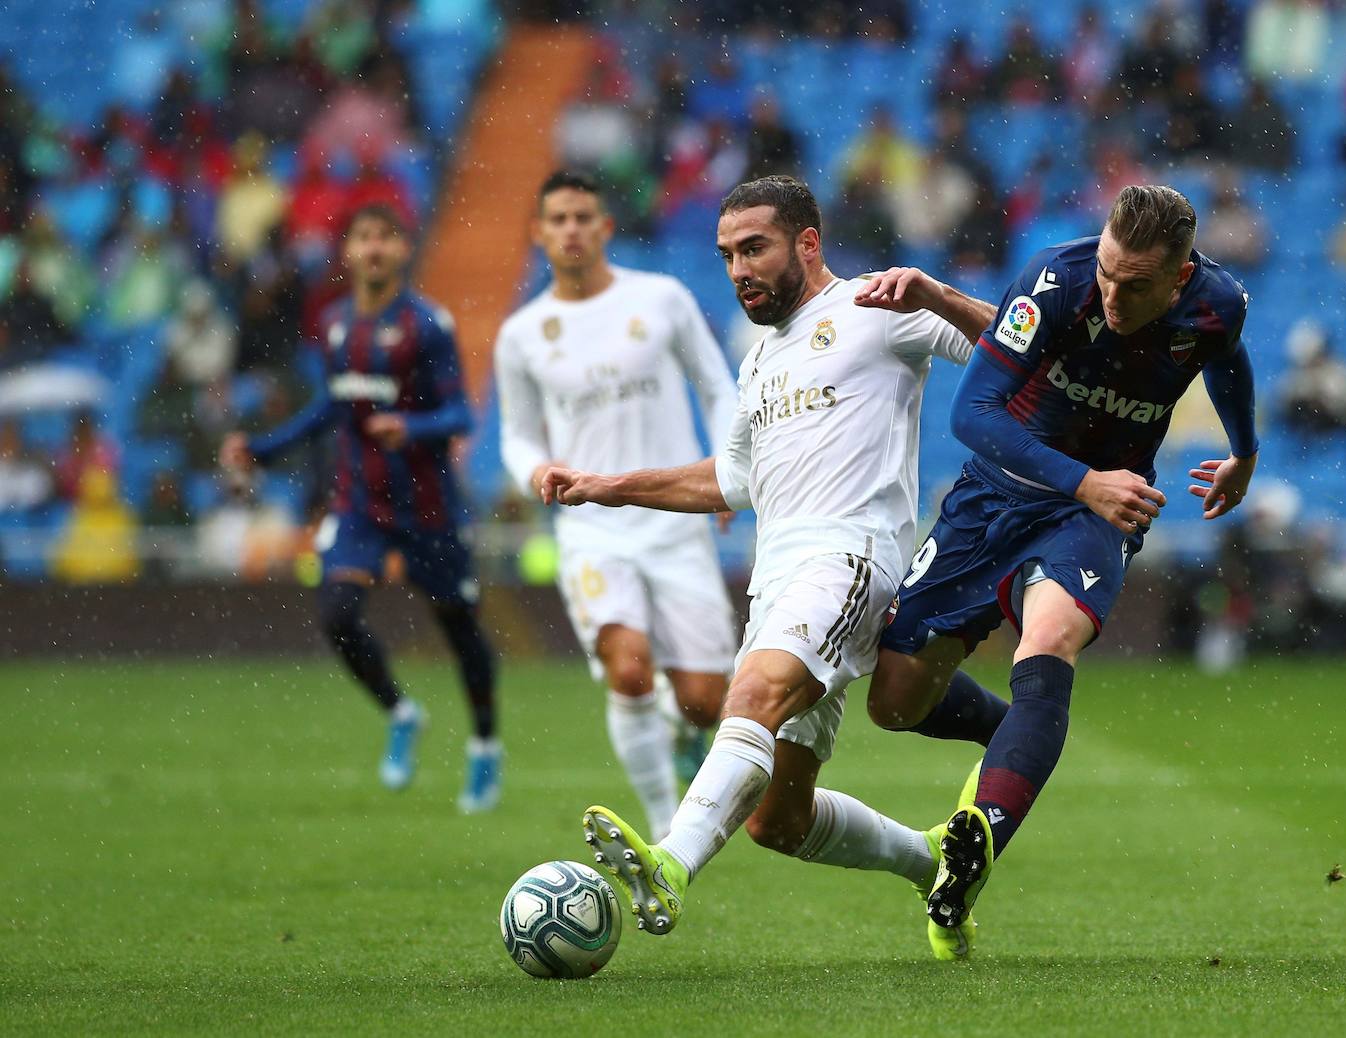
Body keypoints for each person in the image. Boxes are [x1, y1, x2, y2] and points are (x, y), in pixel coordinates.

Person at [543, 175, 1001, 960]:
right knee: (776, 822)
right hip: (777, 578)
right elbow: (731, 483)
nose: (738, 269)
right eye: (726, 255)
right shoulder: (760, 361)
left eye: (754, 248)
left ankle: (670, 864)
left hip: (850, 556)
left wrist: (933, 292)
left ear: (808, 243)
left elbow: (1011, 346)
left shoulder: (875, 308)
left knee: (748, 696)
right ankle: (930, 862)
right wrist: (607, 487)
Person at [865, 185, 1258, 940]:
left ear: (1178, 278)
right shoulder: (1054, 281)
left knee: (1048, 643)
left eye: (1135, 283)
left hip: (1094, 512)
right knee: (894, 703)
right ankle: (1019, 739)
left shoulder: (1218, 303)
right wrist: (1083, 477)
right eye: (1108, 271)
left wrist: (1244, 452)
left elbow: (1227, 359)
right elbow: (971, 413)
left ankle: (978, 838)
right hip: (998, 496)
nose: (1112, 293)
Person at [220, 203, 501, 811]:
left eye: (386, 238)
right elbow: (332, 406)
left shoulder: (428, 325)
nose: (374, 249)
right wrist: (262, 449)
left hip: (427, 508)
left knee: (460, 630)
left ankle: (484, 747)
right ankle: (401, 712)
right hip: (360, 505)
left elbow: (460, 415)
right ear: (347, 252)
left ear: (403, 250)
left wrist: (412, 426)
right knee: (337, 613)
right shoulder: (336, 322)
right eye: (363, 238)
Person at [494, 170, 737, 842]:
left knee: (705, 699)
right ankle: (665, 828)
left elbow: (717, 388)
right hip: (592, 530)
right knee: (627, 669)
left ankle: (684, 730)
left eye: (583, 216)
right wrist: (535, 468)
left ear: (605, 227)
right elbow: (516, 433)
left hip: (675, 519)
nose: (571, 228)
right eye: (558, 218)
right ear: (540, 232)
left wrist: (727, 473)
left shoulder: (660, 298)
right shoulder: (522, 333)